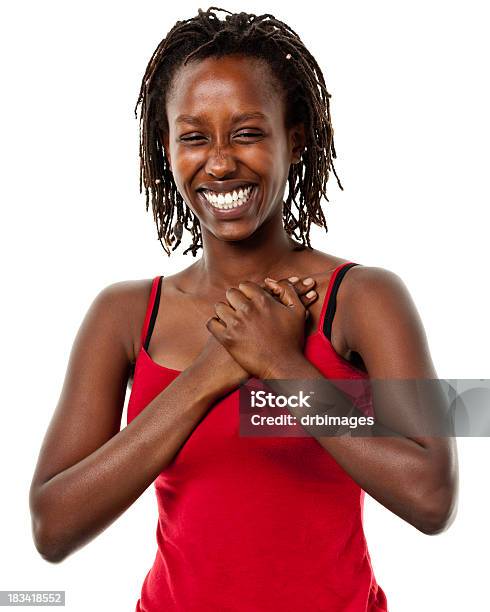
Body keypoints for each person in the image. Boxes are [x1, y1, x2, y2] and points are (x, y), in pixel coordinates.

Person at [29, 7, 458, 611]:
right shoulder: (125, 315)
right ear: (166, 149)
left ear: (296, 137)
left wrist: (285, 367)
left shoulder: (363, 298)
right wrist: (209, 375)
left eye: (248, 132)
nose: (221, 161)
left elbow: (432, 496)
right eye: (194, 136)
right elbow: (51, 527)